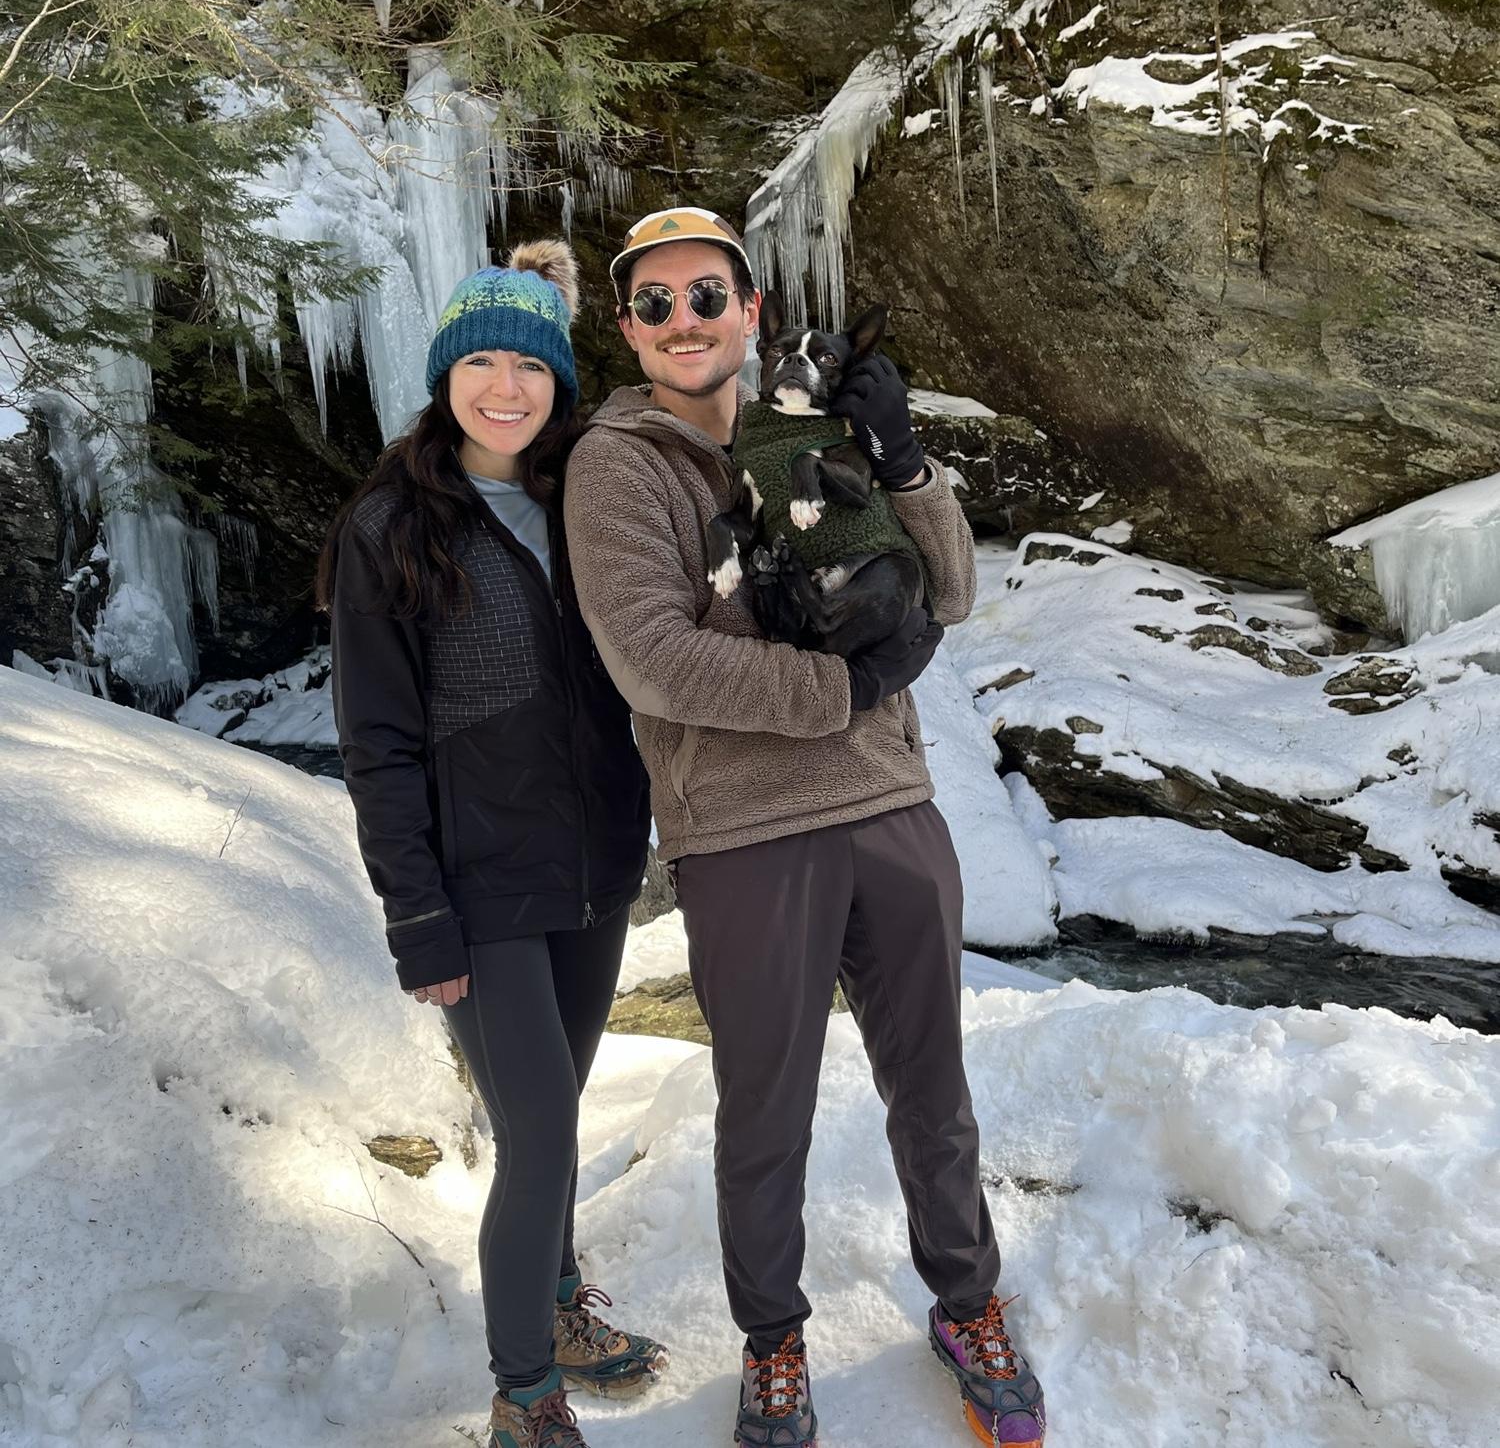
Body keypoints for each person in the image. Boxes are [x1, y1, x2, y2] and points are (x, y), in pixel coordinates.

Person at [562, 208, 1047, 1447]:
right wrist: (842, 687)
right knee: (763, 1112)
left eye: (707, 297)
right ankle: (773, 1341)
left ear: (749, 311)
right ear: (628, 329)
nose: (686, 321)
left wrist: (904, 466)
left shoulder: (816, 423)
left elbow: (946, 592)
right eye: (657, 304)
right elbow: (654, 660)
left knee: (932, 1092)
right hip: (740, 835)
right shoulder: (619, 465)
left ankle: (968, 1304)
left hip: (890, 808)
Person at [319, 241, 665, 1448]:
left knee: (556, 1104)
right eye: (483, 361)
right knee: (542, 1130)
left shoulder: (590, 498)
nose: (506, 387)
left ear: (561, 381)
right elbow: (377, 740)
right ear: (445, 373)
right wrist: (416, 914)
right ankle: (526, 1395)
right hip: (480, 889)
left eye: (532, 363)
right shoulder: (391, 526)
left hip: (595, 871)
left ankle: (559, 1302)